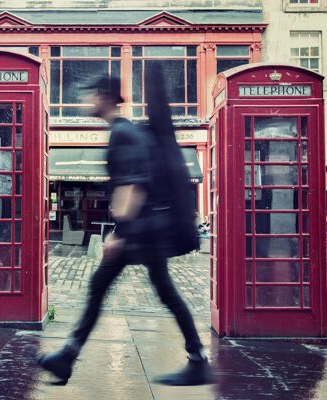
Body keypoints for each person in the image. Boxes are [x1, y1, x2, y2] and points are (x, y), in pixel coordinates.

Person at [37, 74, 212, 386]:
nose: (86, 101)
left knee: (104, 287)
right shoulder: (126, 130)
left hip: (142, 231)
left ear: (105, 97)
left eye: (91, 94)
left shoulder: (121, 133)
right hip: (149, 228)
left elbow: (134, 184)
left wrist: (120, 232)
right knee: (158, 290)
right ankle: (196, 357)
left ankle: (67, 356)